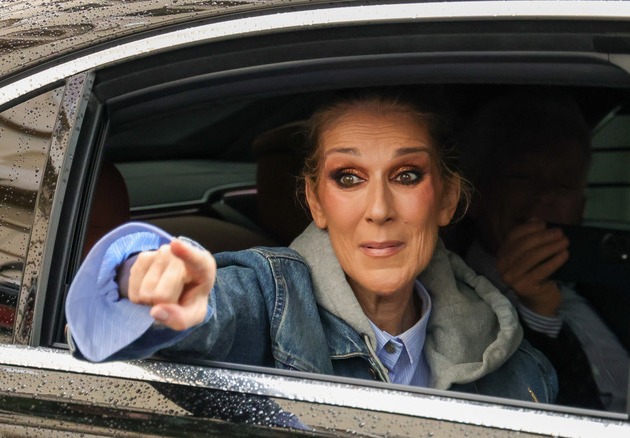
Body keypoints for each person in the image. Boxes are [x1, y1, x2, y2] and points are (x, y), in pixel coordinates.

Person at [65, 89, 557, 405]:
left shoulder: (518, 369)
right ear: (315, 202)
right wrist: (140, 280)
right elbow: (203, 314)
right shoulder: (266, 296)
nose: (380, 209)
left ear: (447, 200)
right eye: (349, 178)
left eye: (407, 175)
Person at [459, 93, 629, 412]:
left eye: (564, 185)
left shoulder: (607, 284)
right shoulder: (452, 299)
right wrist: (538, 315)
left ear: (581, 207)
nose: (546, 196)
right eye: (523, 177)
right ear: (477, 195)